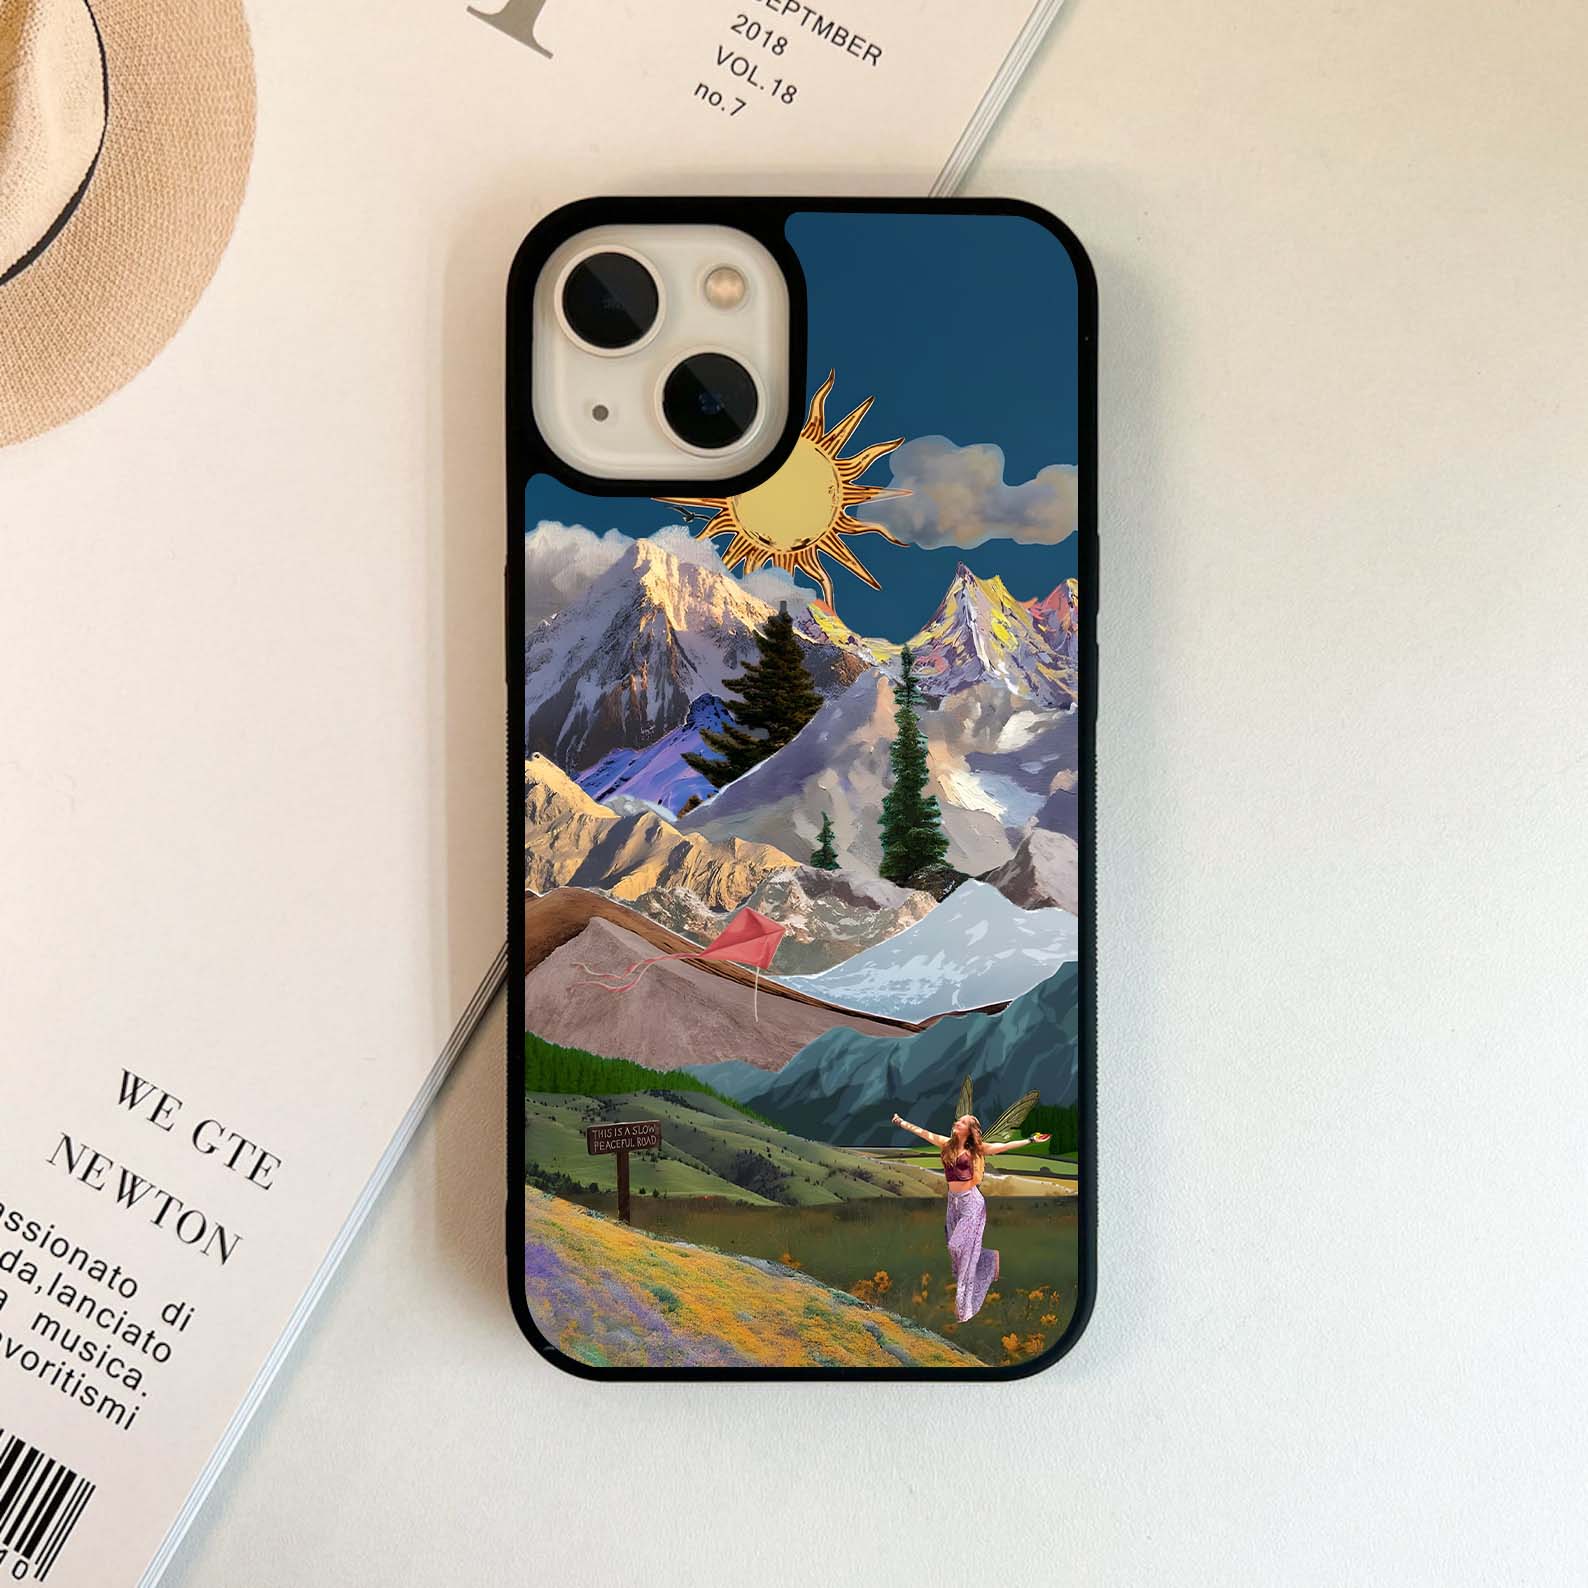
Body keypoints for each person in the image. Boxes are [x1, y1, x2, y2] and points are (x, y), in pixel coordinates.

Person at [890, 1110, 1050, 1322]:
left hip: (971, 1204)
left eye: (963, 1122)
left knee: (958, 1248)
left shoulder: (976, 1149)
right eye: (958, 1120)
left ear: (970, 1130)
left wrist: (1030, 1140)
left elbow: (1002, 1146)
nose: (957, 1123)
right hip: (953, 1203)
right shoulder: (946, 1144)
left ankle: (963, 1310)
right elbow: (923, 1132)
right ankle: (988, 1259)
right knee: (957, 1254)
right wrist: (901, 1122)